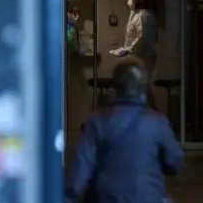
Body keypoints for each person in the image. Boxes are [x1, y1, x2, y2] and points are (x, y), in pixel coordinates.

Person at [64, 58, 183, 203]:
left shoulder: (96, 121)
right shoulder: (157, 122)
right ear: (144, 89)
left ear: (115, 88)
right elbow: (174, 163)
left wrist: (68, 197)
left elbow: (80, 170)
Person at [113, 0, 159, 109]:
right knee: (138, 91)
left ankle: (153, 119)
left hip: (144, 58)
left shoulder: (145, 15)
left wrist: (128, 49)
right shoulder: (134, 14)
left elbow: (143, 38)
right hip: (136, 58)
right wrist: (126, 49)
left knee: (144, 90)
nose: (131, 1)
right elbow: (131, 37)